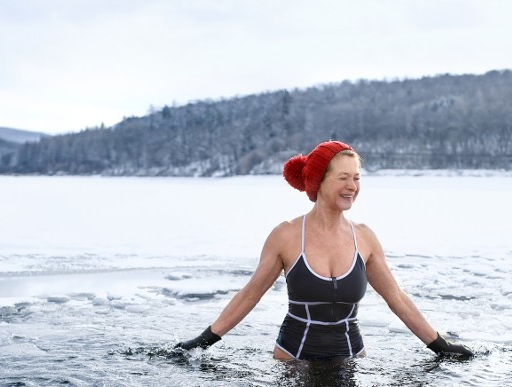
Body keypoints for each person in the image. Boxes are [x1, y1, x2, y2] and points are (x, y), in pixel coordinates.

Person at [175, 140, 472, 360]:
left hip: (351, 358)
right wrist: (202, 342)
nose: (352, 186)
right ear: (320, 182)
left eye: (356, 178)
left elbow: (397, 299)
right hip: (293, 359)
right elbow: (250, 294)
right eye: (343, 178)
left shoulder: (365, 238)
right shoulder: (287, 235)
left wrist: (439, 346)